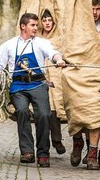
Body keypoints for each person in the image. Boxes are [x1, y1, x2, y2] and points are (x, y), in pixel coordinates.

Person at [0, 13, 66, 168]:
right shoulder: (9, 45)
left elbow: (53, 53)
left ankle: (43, 154)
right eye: (32, 25)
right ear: (23, 26)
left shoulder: (41, 43)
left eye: (36, 25)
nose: (36, 28)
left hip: (38, 84)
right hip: (18, 86)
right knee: (22, 112)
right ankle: (27, 152)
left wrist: (58, 59)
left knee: (44, 115)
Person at [39, 9, 66, 155]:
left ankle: (56, 139)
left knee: (55, 107)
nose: (47, 23)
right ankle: (46, 144)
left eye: (49, 20)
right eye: (44, 20)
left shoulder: (59, 36)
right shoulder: (37, 38)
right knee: (45, 110)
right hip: (42, 76)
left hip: (56, 77)